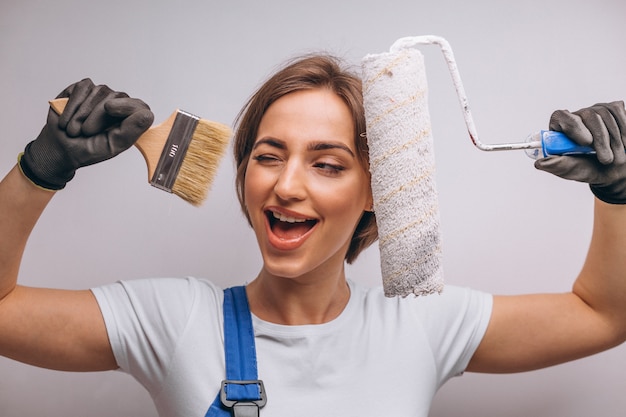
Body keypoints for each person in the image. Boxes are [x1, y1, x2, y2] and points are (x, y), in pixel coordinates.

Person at [1, 54, 625, 417]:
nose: (287, 186)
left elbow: (604, 315)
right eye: (269, 156)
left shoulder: (421, 324)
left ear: (372, 194)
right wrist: (39, 170)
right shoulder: (173, 318)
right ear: (243, 174)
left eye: (327, 164)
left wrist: (617, 195)